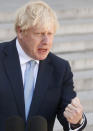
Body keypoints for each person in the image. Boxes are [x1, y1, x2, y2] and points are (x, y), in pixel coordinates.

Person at [0, 1, 86, 131]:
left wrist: (76, 120)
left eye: (50, 34)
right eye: (39, 34)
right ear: (20, 31)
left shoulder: (60, 68)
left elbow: (68, 115)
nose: (46, 41)